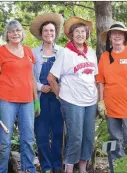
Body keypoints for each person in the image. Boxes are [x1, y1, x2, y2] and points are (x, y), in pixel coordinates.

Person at [47, 16, 98, 173]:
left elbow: (96, 77)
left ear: (87, 34)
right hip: (72, 101)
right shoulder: (65, 52)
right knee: (75, 137)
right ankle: (69, 168)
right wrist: (59, 95)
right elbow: (51, 78)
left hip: (91, 100)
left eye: (83, 31)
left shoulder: (91, 53)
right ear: (71, 34)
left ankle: (82, 168)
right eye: (77, 31)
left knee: (88, 136)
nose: (80, 34)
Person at [0, 20, 40, 173]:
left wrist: (36, 99)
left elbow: (32, 77)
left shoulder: (27, 51)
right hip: (6, 102)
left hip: (27, 102)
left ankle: (28, 170)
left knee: (28, 139)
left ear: (22, 33)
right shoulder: (0, 52)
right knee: (4, 141)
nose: (15, 34)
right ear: (7, 34)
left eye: (18, 30)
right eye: (11, 31)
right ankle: (0, 170)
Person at [96, 22, 127, 159]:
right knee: (115, 138)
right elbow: (101, 82)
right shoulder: (105, 57)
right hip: (110, 104)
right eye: (113, 33)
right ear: (110, 37)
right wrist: (101, 102)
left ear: (124, 36)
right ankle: (118, 166)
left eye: (120, 33)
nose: (117, 36)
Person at [30, 13, 64, 173]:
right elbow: (29, 76)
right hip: (41, 97)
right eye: (46, 31)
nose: (49, 34)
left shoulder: (62, 52)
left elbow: (66, 75)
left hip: (58, 98)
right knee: (42, 133)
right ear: (41, 34)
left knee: (58, 132)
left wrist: (58, 88)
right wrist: (39, 86)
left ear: (56, 33)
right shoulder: (34, 53)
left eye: (51, 31)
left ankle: (57, 165)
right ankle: (46, 166)